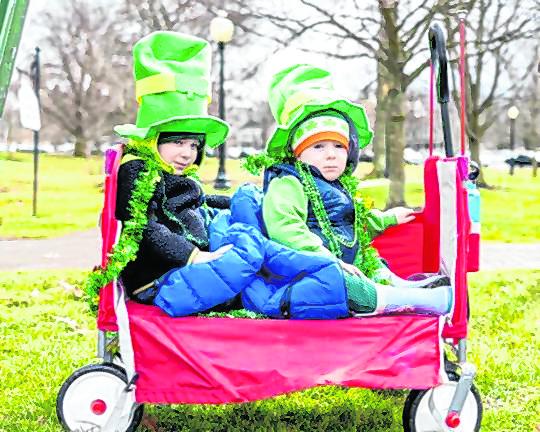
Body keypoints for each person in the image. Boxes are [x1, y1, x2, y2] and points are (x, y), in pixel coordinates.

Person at [259, 64, 451, 315]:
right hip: (307, 270)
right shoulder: (289, 183)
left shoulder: (336, 185)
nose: (331, 155)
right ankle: (410, 300)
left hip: (344, 263)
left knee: (373, 264)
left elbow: (351, 225)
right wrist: (326, 258)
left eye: (339, 147)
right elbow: (285, 227)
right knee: (346, 287)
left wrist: (389, 217)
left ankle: (402, 287)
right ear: (298, 152)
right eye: (318, 147)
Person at [86, 31, 231, 306]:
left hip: (188, 265)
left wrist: (234, 202)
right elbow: (143, 227)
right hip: (155, 277)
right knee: (236, 286)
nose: (187, 153)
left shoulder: (176, 174)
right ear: (154, 139)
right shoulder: (139, 170)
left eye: (193, 145)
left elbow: (198, 200)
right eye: (177, 142)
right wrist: (192, 255)